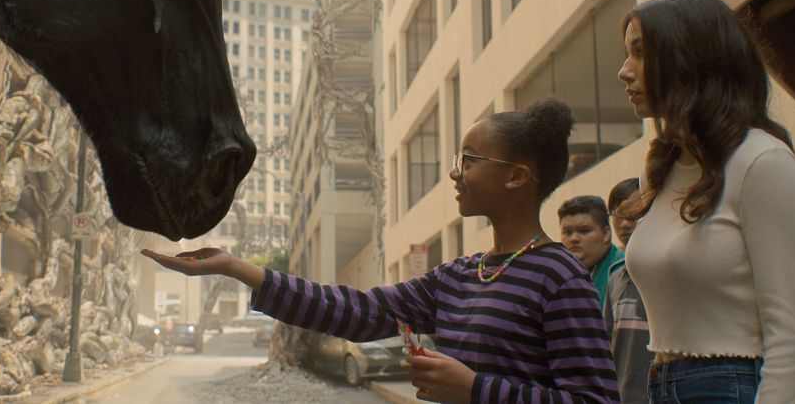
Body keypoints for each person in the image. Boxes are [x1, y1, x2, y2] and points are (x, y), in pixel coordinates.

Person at [145, 99, 619, 404]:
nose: (455, 172)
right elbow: (357, 311)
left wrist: (476, 389)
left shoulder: (559, 278)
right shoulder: (457, 276)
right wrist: (237, 268)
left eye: (469, 160)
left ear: (517, 177)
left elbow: (595, 400)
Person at [614, 0, 795, 403]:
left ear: (690, 58)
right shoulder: (664, 168)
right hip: (658, 384)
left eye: (640, 52)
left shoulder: (763, 162)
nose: (624, 71)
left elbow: (789, 340)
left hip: (733, 387)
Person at [599, 178, 653, 404]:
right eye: (617, 215)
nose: (624, 225)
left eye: (633, 213)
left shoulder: (666, 272)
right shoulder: (615, 276)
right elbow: (607, 345)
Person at [558, 195, 624, 310]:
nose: (574, 238)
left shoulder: (623, 272)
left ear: (606, 234)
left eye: (584, 231)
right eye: (568, 232)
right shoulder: (562, 276)